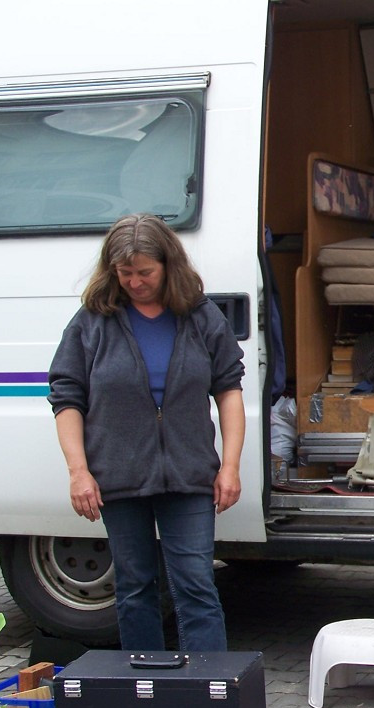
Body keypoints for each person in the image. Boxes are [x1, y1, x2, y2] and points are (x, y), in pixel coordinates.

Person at [48, 213, 245, 652]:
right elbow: (66, 398)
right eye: (125, 273)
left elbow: (229, 390)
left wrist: (229, 466)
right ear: (111, 270)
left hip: (189, 475)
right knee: (134, 587)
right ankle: (144, 689)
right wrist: (79, 471)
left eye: (145, 273)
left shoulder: (200, 315)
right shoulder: (92, 321)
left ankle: (207, 693)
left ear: (168, 265)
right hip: (117, 476)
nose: (135, 282)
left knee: (196, 585)